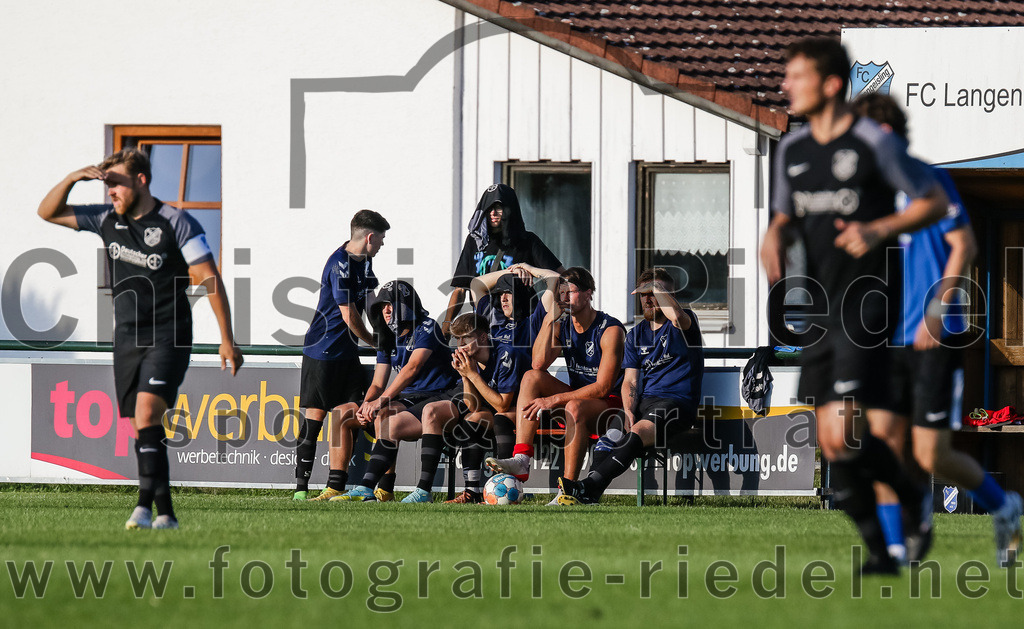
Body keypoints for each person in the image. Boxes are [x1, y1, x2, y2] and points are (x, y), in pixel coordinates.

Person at [760, 37, 949, 574]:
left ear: (831, 85)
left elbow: (932, 200)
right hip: (821, 307)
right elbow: (784, 217)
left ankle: (904, 516)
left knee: (845, 429)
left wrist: (880, 227)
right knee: (832, 444)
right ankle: (892, 531)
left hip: (868, 303)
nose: (785, 86)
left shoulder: (872, 143)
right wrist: (773, 235)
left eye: (795, 77)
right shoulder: (792, 152)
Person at [853, 92, 1023, 567]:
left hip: (932, 338)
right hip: (885, 341)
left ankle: (1005, 506)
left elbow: (963, 245)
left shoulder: (928, 180)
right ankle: (894, 550)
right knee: (885, 443)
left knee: (932, 455)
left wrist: (934, 312)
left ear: (883, 134)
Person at [38, 148, 244, 530]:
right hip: (127, 338)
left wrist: (227, 339)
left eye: (115, 183)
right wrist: (71, 179)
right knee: (140, 426)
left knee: (148, 413)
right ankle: (162, 512)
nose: (110, 191)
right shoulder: (105, 219)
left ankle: (144, 508)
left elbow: (209, 279)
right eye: (106, 185)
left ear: (141, 180)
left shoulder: (176, 222)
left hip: (169, 335)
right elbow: (47, 212)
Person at [558, 268, 703, 505]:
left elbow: (676, 316)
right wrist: (627, 410)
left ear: (669, 295)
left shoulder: (684, 321)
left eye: (654, 293)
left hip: (677, 405)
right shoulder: (636, 335)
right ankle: (591, 495)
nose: (647, 298)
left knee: (636, 432)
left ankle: (588, 486)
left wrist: (658, 289)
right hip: (644, 403)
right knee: (610, 436)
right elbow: (631, 381)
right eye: (643, 293)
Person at [308, 280, 459, 501]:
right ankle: (335, 486)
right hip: (408, 398)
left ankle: (384, 489)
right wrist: (367, 403)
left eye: (391, 304)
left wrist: (380, 402)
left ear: (406, 304)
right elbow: (378, 384)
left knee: (384, 413)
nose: (385, 310)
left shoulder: (427, 326)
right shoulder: (386, 336)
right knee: (342, 413)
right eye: (382, 306)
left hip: (435, 396)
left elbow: (412, 368)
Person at [485, 267, 625, 500]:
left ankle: (567, 491)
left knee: (574, 406)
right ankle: (522, 459)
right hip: (578, 402)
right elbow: (538, 363)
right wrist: (549, 319)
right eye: (561, 292)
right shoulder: (562, 325)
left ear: (589, 293)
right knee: (531, 377)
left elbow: (603, 388)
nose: (564, 297)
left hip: (610, 407)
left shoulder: (610, 329)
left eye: (570, 291)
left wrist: (553, 399)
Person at [293, 210, 389, 500]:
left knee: (348, 417)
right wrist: (373, 340)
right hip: (322, 351)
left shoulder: (365, 260)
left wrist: (383, 330)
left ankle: (335, 486)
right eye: (382, 239)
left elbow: (370, 299)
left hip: (347, 354)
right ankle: (300, 490)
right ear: (369, 237)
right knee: (315, 420)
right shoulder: (339, 264)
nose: (383, 245)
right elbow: (349, 314)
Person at [400, 313, 530, 503]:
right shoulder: (471, 359)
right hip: (498, 410)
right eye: (457, 338)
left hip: (523, 411)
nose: (460, 343)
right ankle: (471, 491)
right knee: (472, 418)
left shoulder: (506, 354)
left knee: (501, 416)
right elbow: (473, 405)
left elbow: (503, 405)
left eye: (466, 337)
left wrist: (473, 374)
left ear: (483, 337)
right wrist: (464, 375)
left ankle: (507, 485)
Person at [441, 184, 563, 338]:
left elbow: (562, 276)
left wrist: (530, 270)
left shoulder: (527, 241)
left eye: (499, 208)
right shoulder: (476, 241)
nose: (493, 213)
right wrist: (446, 324)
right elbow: (460, 289)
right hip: (485, 321)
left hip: (521, 323)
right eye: (489, 208)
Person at [469, 262, 559, 351]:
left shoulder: (533, 321)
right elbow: (476, 283)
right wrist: (512, 271)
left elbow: (555, 278)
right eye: (500, 294)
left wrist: (528, 268)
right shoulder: (491, 314)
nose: (503, 299)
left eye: (508, 292)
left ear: (521, 295)